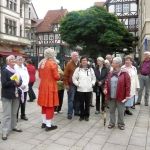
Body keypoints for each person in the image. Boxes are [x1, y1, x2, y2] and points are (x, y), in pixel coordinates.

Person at [104, 57, 131, 130]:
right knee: (111, 110)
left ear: (118, 64)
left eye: (113, 62)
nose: (112, 63)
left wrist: (127, 95)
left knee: (121, 111)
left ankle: (121, 124)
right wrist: (105, 89)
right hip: (111, 96)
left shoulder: (124, 73)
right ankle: (112, 123)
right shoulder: (110, 73)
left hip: (121, 96)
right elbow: (107, 82)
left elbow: (128, 85)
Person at [1, 55, 22, 140]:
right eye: (11, 59)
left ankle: (14, 126)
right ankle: (4, 131)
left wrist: (18, 83)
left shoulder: (16, 70)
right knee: (7, 115)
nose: (13, 60)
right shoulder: (5, 71)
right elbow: (4, 84)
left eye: (14, 59)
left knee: (14, 113)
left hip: (16, 95)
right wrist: (14, 82)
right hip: (7, 95)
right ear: (8, 61)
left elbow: (20, 82)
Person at [38, 48, 60, 131]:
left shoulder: (41, 63)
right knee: (50, 106)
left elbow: (40, 76)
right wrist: (59, 75)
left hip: (43, 86)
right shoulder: (53, 63)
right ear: (52, 54)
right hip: (50, 87)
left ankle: (44, 123)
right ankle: (49, 125)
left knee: (44, 105)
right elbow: (56, 77)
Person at [72, 56, 96, 121]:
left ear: (87, 61)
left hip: (88, 89)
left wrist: (92, 83)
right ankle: (82, 116)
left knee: (87, 103)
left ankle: (87, 115)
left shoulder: (91, 69)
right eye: (83, 60)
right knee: (81, 103)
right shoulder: (78, 69)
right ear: (81, 61)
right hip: (80, 89)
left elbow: (94, 78)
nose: (84, 61)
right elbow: (74, 78)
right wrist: (78, 84)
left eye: (85, 60)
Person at [63, 52, 79, 119]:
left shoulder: (79, 64)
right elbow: (65, 75)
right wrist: (66, 84)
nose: (76, 57)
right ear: (72, 57)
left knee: (77, 99)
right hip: (71, 85)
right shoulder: (69, 64)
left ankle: (76, 111)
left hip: (78, 85)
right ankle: (69, 113)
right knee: (71, 99)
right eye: (75, 56)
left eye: (77, 56)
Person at [15, 56, 29, 121]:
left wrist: (25, 84)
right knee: (17, 103)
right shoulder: (15, 68)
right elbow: (15, 78)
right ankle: (15, 116)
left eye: (21, 60)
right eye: (19, 60)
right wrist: (20, 85)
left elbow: (27, 77)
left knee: (23, 102)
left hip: (25, 88)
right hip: (18, 88)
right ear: (16, 61)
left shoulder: (25, 68)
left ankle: (23, 115)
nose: (20, 61)